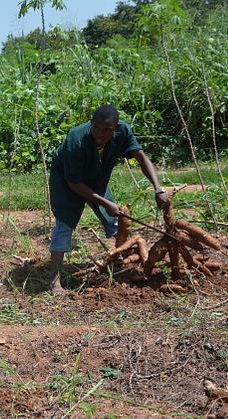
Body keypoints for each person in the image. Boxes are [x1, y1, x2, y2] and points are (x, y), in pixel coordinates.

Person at [47, 104, 170, 293]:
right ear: (91, 124)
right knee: (64, 224)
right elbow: (74, 183)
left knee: (115, 221)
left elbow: (141, 157)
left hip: (96, 176)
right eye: (96, 128)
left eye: (106, 130)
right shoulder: (76, 139)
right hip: (66, 179)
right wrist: (105, 203)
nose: (100, 134)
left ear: (116, 128)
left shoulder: (123, 132)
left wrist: (158, 189)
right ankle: (53, 281)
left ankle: (121, 265)